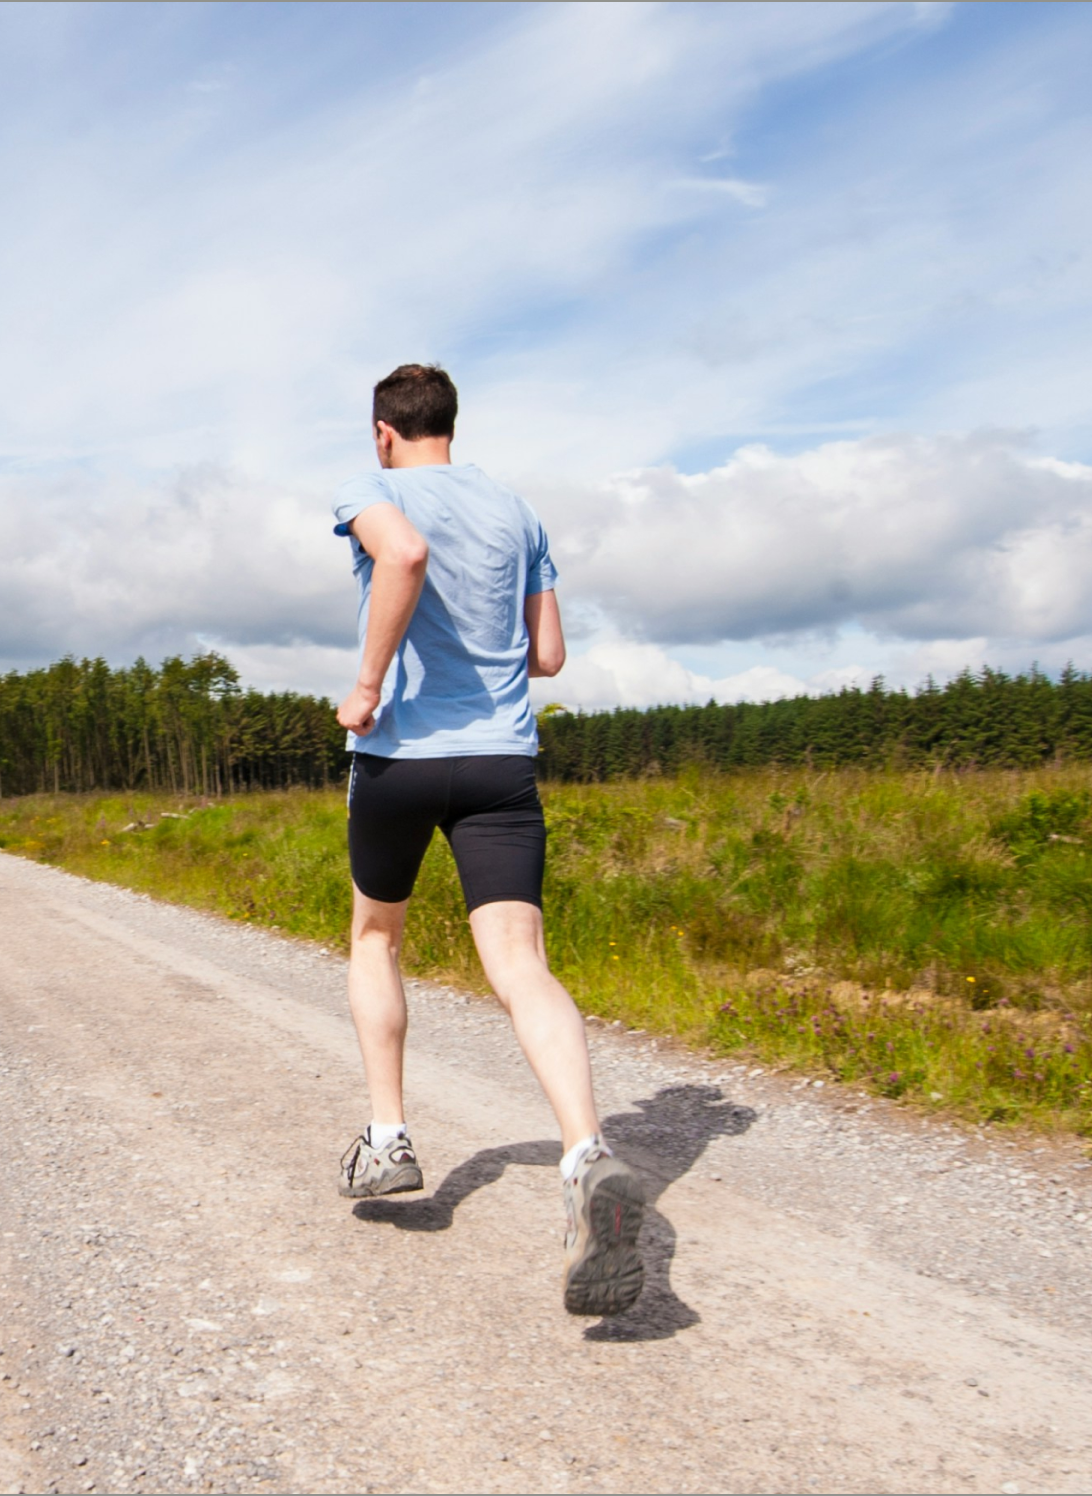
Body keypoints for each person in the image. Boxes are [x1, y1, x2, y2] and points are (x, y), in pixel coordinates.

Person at [328, 363, 646, 1318]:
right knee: (520, 962)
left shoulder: (372, 490)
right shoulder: (516, 511)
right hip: (502, 762)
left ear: (384, 432)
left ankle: (389, 1141)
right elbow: (547, 655)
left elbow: (405, 556)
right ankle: (587, 1151)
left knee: (377, 936)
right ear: (449, 426)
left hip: (400, 758)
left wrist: (369, 684)